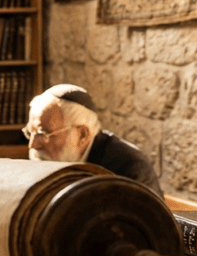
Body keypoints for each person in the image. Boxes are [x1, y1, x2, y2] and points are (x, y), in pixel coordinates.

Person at [25, 84, 163, 197]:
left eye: (42, 133)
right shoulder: (50, 162)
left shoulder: (130, 167)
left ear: (82, 135)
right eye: (30, 132)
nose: (33, 145)